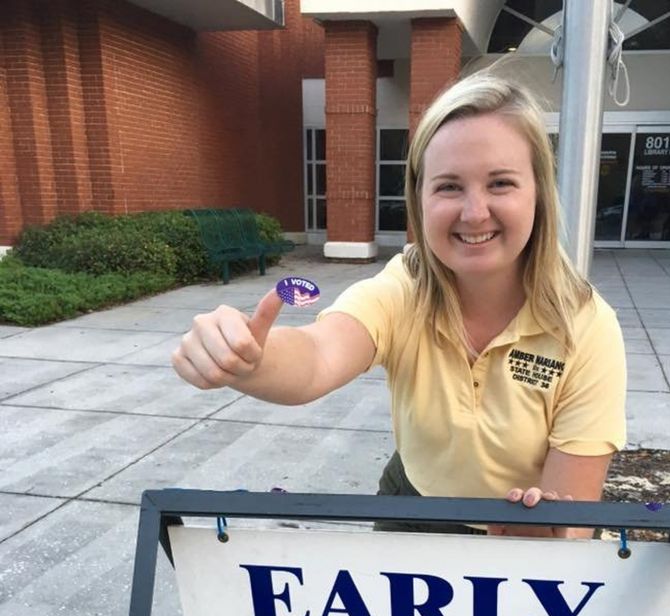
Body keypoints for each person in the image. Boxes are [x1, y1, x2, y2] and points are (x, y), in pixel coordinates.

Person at [172, 68, 626, 538]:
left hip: (517, 533)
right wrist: (249, 360)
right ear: (420, 199)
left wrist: (551, 536)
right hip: (411, 509)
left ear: (539, 195)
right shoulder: (403, 289)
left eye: (500, 183)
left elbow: (572, 517)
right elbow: (319, 355)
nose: (474, 212)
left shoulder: (586, 326)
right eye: (449, 186)